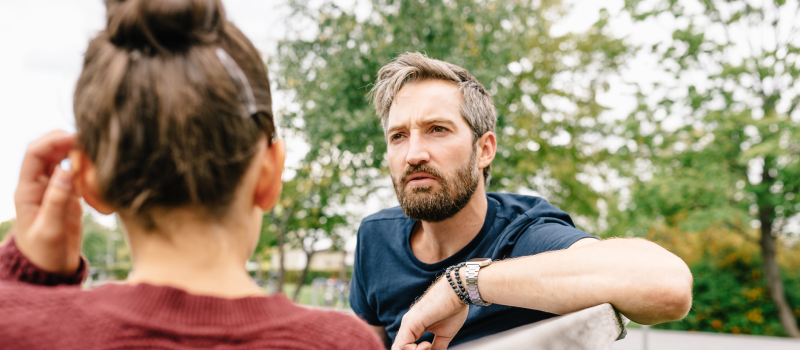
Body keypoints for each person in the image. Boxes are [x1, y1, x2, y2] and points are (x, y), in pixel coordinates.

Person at [0, 0, 383, 349]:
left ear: (87, 180)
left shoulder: (20, 331)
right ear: (270, 174)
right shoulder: (342, 343)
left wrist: (27, 273)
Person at [348, 52, 694, 350]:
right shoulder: (375, 238)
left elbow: (669, 286)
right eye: (398, 136)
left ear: (484, 150)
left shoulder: (526, 234)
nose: (413, 154)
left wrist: (461, 286)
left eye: (438, 129)